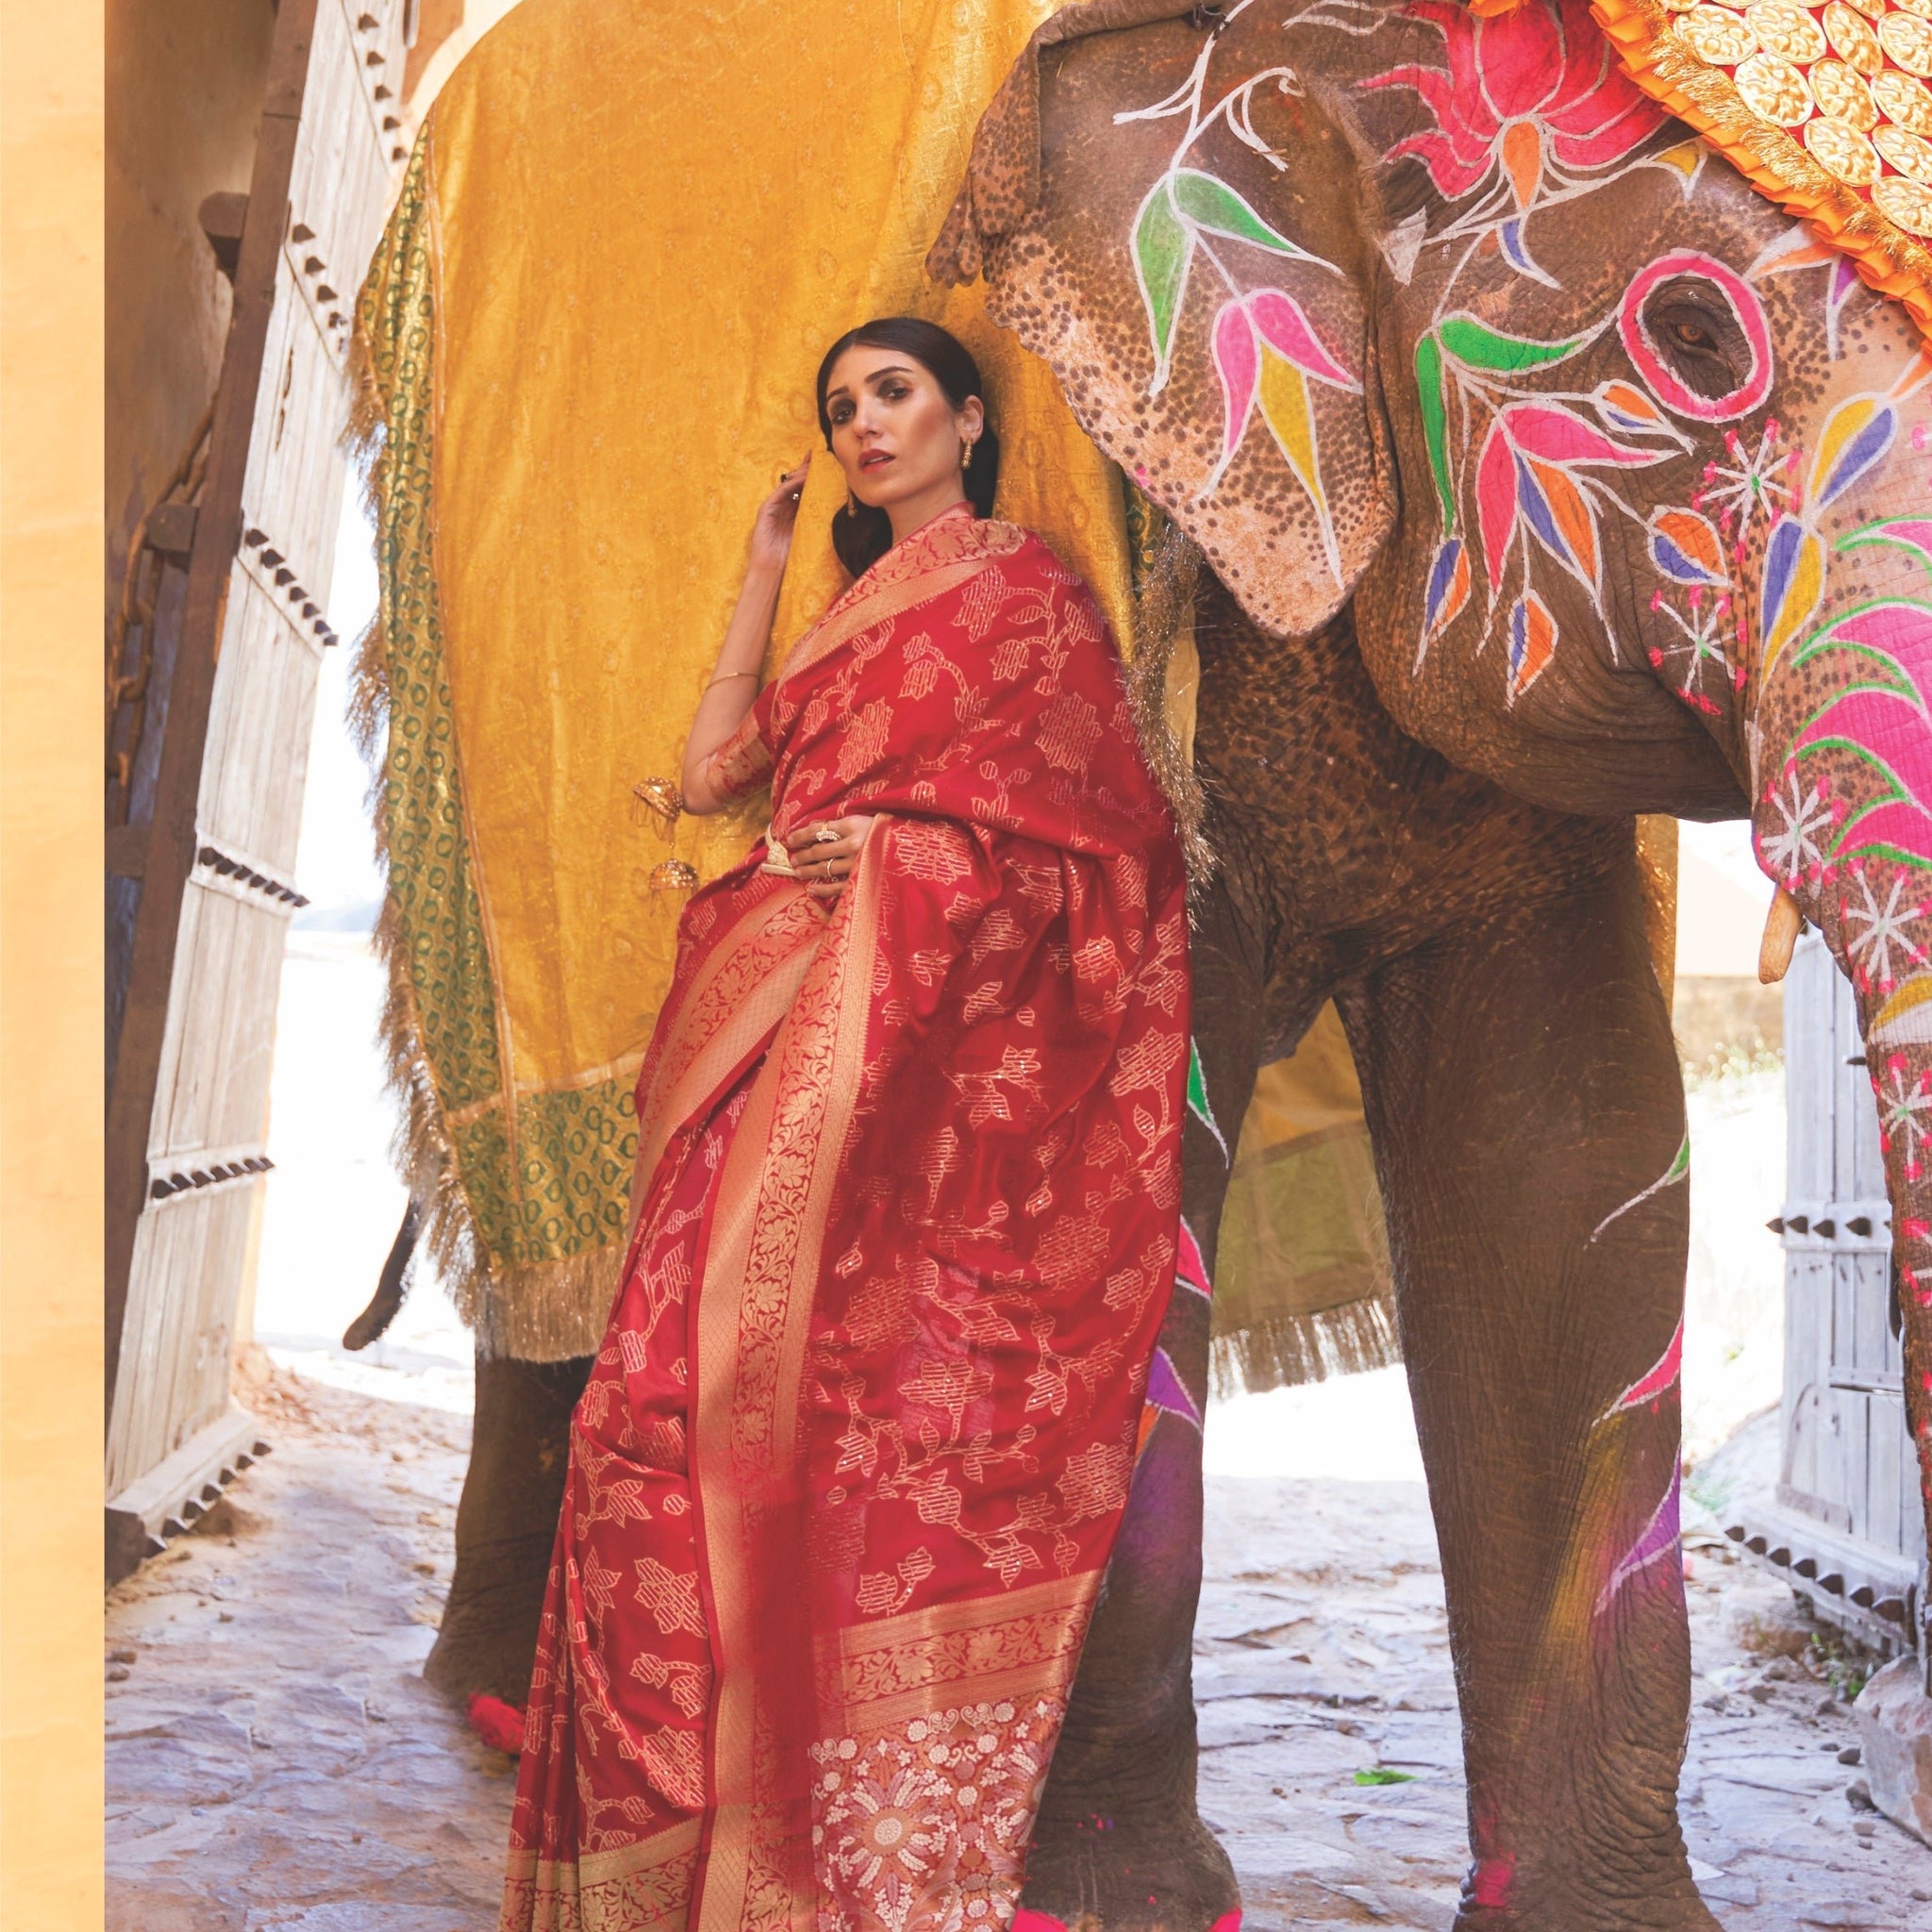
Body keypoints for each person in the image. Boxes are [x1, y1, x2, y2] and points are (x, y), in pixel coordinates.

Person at [501, 317, 1190, 1932]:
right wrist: (762, 563)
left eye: (893, 395)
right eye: (841, 411)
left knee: (813, 1431)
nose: (866, 427)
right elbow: (713, 772)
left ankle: (814, 1861)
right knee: (640, 1418)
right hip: (766, 1036)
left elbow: (1104, 859)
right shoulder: (839, 620)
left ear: (966, 417)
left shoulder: (1027, 599)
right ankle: (665, 1859)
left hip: (905, 1075)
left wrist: (897, 867)